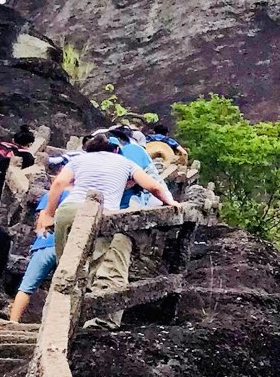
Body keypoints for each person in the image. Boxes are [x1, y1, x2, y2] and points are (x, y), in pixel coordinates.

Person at [37, 131, 177, 327]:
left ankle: (58, 317)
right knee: (95, 263)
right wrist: (171, 202)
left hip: (68, 211)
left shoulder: (81, 160)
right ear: (116, 149)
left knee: (67, 265)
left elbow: (59, 183)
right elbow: (153, 187)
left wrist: (48, 213)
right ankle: (90, 317)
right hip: (102, 216)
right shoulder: (126, 161)